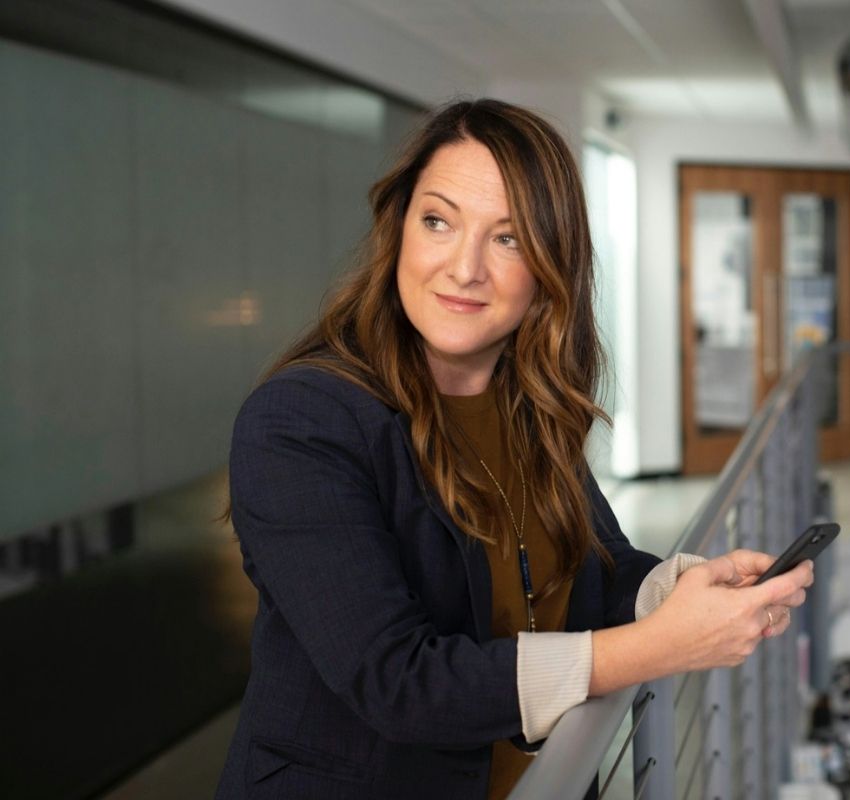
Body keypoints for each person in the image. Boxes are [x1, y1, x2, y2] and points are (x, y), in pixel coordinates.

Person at [214, 98, 814, 800]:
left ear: (550, 266)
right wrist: (659, 646)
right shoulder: (300, 422)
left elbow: (595, 566)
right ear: (398, 229)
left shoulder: (528, 404)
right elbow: (398, 682)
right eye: (438, 221)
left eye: (508, 238)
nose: (464, 267)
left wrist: (679, 593)